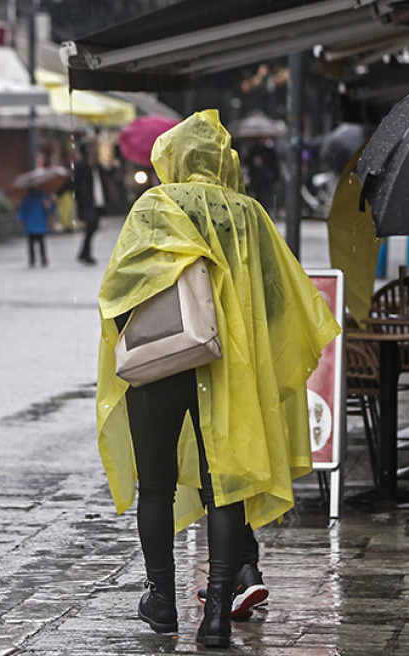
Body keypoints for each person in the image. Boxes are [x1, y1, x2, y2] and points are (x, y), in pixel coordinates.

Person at [95, 110, 340, 648]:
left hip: (158, 366)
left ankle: (161, 601)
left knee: (155, 485)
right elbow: (282, 300)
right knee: (223, 485)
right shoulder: (248, 215)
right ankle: (216, 615)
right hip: (228, 370)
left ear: (174, 158)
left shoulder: (155, 207)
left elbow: (117, 292)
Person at [71, 142, 106, 265]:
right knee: (90, 227)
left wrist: (114, 166)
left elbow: (106, 176)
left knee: (93, 227)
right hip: (87, 201)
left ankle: (83, 253)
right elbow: (75, 183)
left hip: (98, 200)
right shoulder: (81, 165)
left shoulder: (96, 165)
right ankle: (87, 254)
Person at [16, 184, 55, 267]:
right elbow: (23, 209)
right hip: (31, 223)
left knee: (41, 243)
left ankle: (43, 258)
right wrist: (20, 219)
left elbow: (51, 209)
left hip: (41, 223)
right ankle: (32, 259)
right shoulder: (28, 198)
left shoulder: (44, 197)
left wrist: (50, 205)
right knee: (31, 243)